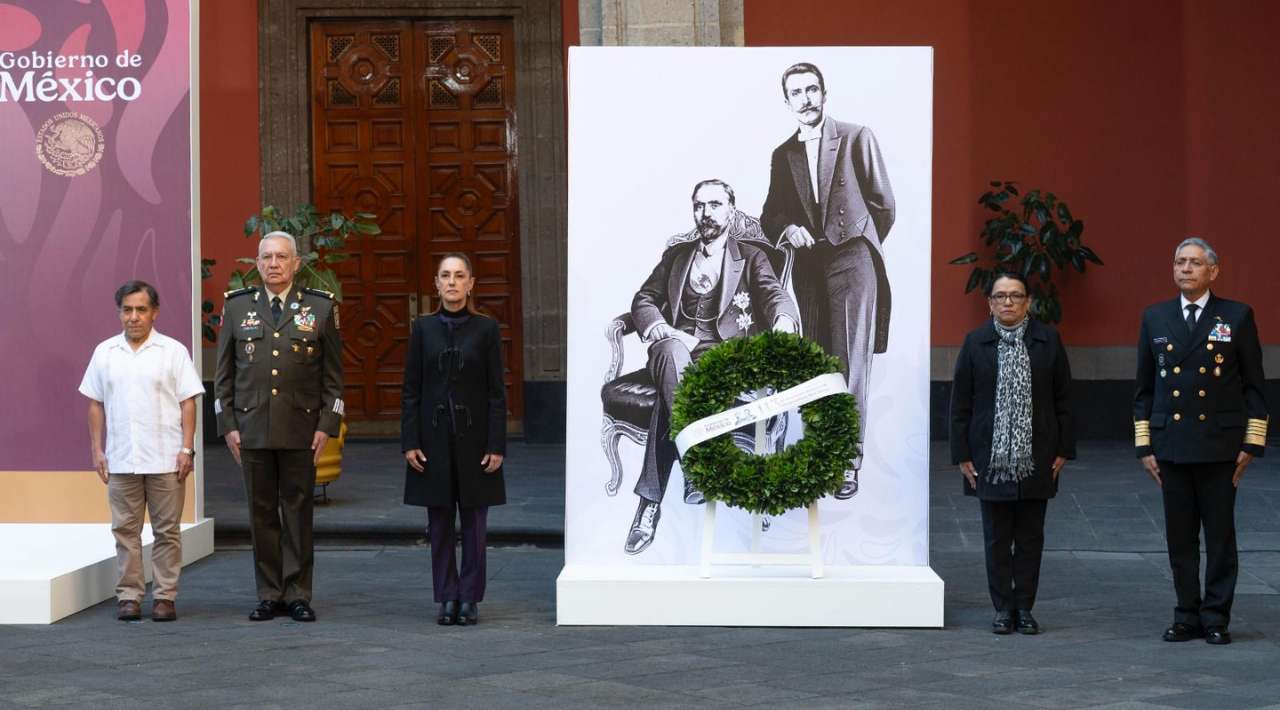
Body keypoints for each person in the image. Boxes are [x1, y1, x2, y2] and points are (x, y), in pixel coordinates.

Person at [624, 179, 799, 555]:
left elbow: (774, 295)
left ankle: (648, 507)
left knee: (665, 405)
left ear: (731, 210)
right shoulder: (677, 256)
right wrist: (658, 326)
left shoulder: (751, 257)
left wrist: (784, 320)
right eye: (700, 206)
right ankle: (699, 463)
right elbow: (644, 298)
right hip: (675, 348)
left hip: (723, 359)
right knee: (671, 352)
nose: (707, 214)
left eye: (715, 205)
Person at [760, 62, 895, 501]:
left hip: (852, 261)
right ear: (786, 102)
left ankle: (846, 462)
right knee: (819, 361)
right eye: (796, 92)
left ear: (824, 92)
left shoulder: (857, 137)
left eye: (812, 89)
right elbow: (770, 213)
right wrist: (787, 230)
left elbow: (883, 205)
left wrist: (856, 242)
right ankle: (823, 451)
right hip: (808, 268)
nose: (806, 98)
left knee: (852, 361)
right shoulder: (784, 154)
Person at [1134, 237, 1268, 645]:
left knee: (1221, 537)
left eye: (1194, 263)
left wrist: (1251, 444)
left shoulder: (1237, 316)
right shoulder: (1155, 317)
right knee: (1180, 537)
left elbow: (1255, 386)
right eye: (1179, 262)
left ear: (1214, 270)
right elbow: (1144, 387)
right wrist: (1144, 445)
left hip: (1219, 446)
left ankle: (1215, 617)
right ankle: (1186, 614)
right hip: (1171, 444)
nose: (1185, 269)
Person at [214, 231, 344, 622]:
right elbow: (223, 377)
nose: (274, 263)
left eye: (281, 257)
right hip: (252, 430)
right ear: (257, 263)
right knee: (261, 513)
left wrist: (327, 424)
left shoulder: (320, 309)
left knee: (299, 513)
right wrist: (228, 425)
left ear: (296, 264)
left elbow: (333, 379)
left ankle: (299, 592)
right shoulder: (237, 308)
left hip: (301, 430)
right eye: (267, 257)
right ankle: (269, 592)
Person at [950, 272, 1074, 635]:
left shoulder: (1047, 341)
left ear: (1028, 302)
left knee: (1031, 536)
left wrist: (1064, 449)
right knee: (996, 537)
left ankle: (1025, 608)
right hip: (989, 457)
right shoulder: (975, 343)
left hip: (1037, 455)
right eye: (1000, 296)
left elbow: (1064, 399)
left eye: (1016, 296)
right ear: (989, 303)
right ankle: (1003, 607)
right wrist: (963, 454)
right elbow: (960, 404)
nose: (1008, 302)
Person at [79, 281, 204, 622]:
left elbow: (188, 402)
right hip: (121, 459)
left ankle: (164, 597)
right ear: (119, 313)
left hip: (166, 459)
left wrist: (187, 449)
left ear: (154, 313)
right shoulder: (105, 352)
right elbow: (95, 404)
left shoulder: (173, 351)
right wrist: (97, 450)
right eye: (127, 310)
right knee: (125, 532)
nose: (134, 317)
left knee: (167, 532)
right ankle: (130, 597)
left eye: (141, 310)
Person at [401, 253, 506, 626]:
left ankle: (470, 596)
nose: (452, 282)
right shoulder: (423, 329)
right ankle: (446, 595)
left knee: (475, 522)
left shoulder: (486, 329)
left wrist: (496, 445)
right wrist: (410, 440)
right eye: (445, 275)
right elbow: (411, 388)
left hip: (476, 439)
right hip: (433, 439)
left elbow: (497, 392)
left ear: (470, 283)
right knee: (440, 520)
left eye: (459, 276)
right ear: (436, 283)